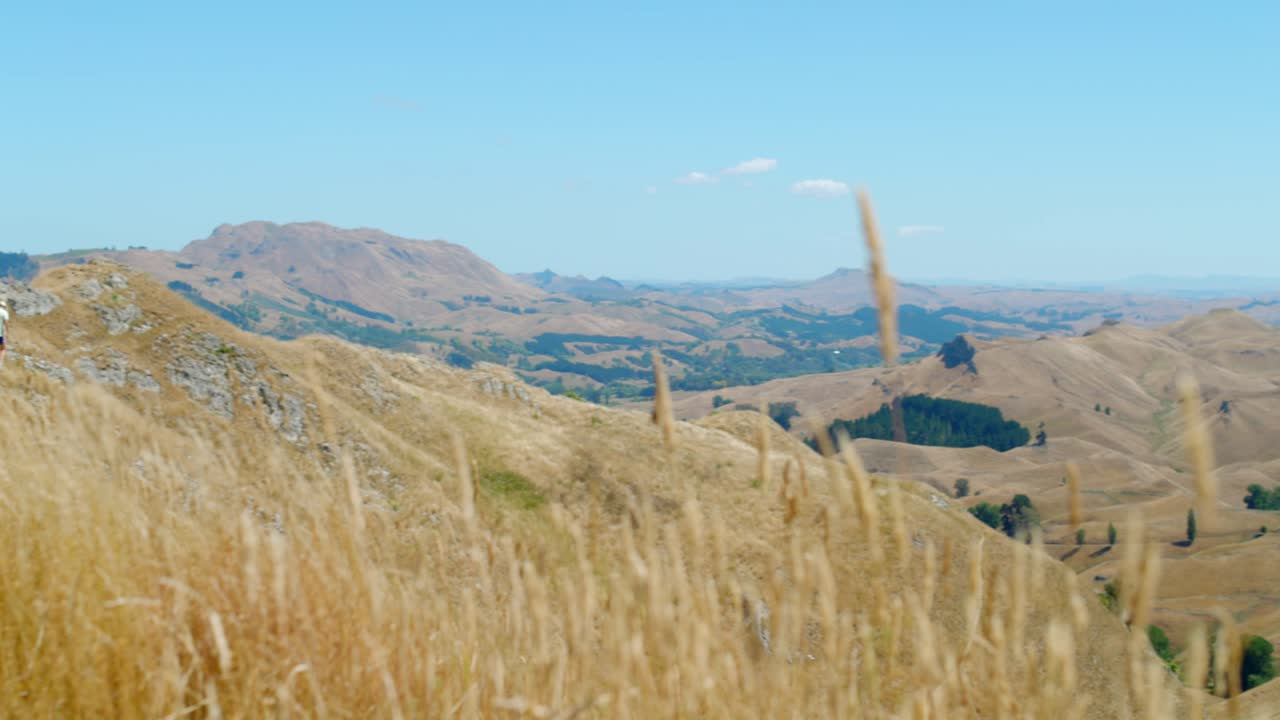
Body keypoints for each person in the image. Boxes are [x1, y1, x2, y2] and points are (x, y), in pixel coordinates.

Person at [0, 299, 8, 368]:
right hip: (1, 334)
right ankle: (0, 364)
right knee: (3, 349)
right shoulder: (4, 313)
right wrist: (7, 333)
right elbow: (6, 324)